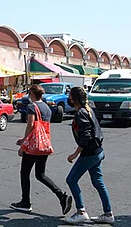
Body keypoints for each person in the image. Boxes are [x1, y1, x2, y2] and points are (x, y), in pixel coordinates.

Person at [11, 84, 72, 214]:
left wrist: (23, 142)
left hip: (33, 146)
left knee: (24, 173)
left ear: (32, 94)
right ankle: (62, 196)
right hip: (44, 144)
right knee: (41, 174)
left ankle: (25, 202)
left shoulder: (32, 107)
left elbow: (31, 125)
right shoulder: (46, 108)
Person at [65, 87, 114, 224]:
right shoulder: (88, 110)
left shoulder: (81, 113)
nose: (68, 99)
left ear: (74, 99)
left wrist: (74, 155)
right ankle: (108, 214)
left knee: (71, 180)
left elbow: (86, 136)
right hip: (97, 151)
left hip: (89, 154)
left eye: (70, 97)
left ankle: (81, 211)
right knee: (98, 182)